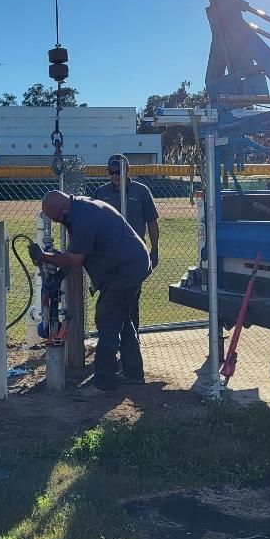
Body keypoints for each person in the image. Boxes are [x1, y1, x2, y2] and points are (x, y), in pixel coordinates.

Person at [29, 190, 151, 398]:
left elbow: (74, 259)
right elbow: (77, 251)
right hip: (131, 265)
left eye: (57, 218)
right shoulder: (78, 209)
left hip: (125, 271)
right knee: (122, 318)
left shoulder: (83, 217)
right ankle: (133, 373)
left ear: (63, 209)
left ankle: (104, 384)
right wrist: (58, 274)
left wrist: (45, 257)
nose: (58, 223)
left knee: (107, 321)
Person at [93, 154, 159, 341]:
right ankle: (109, 339)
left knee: (131, 298)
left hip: (134, 257)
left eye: (118, 171)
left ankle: (131, 339)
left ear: (127, 170)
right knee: (108, 299)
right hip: (108, 257)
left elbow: (152, 222)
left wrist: (154, 250)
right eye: (111, 171)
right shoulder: (101, 193)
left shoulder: (141, 192)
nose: (114, 175)